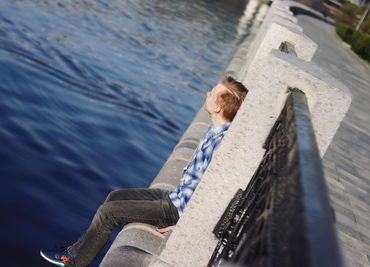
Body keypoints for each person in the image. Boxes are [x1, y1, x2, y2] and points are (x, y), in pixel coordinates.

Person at [40, 76, 248, 267]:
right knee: (115, 196)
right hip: (176, 196)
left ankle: (74, 262)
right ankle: (78, 249)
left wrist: (185, 225)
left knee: (108, 213)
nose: (207, 94)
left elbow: (212, 194)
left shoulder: (220, 143)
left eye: (212, 93)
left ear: (219, 106)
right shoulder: (217, 131)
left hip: (176, 209)